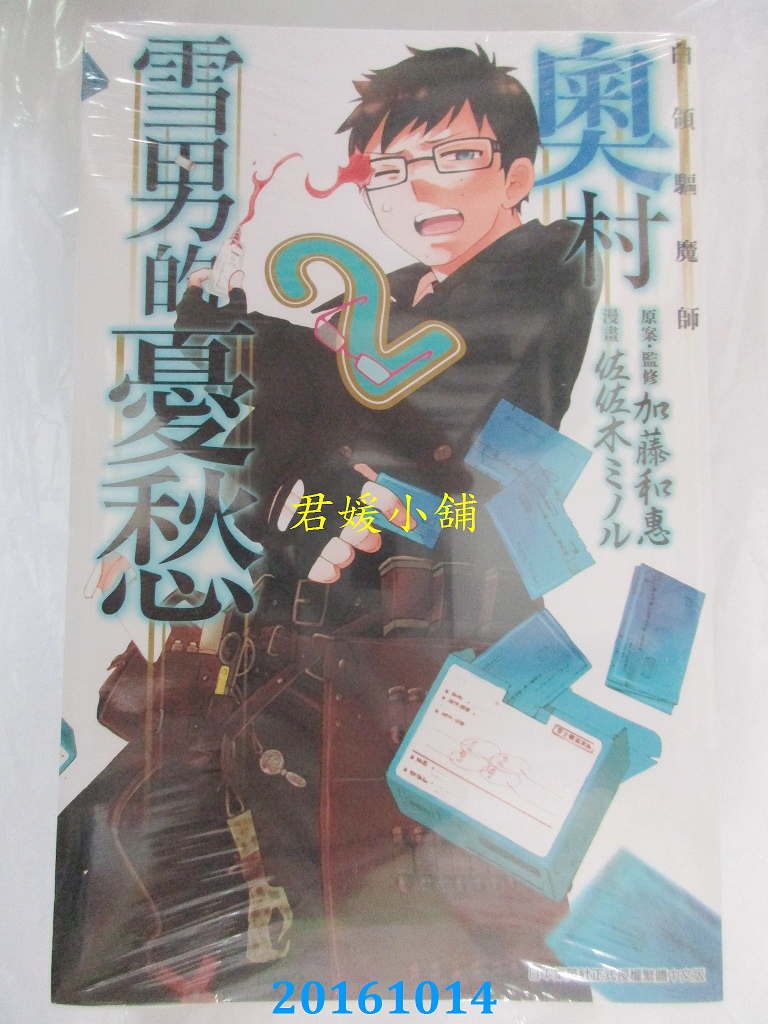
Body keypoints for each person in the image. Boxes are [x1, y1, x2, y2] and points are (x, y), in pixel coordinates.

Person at [53, 45, 599, 1004]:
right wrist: (223, 319)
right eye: (389, 169)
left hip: (432, 644)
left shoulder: (543, 265)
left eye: (451, 158)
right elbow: (277, 429)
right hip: (305, 646)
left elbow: (409, 420)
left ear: (517, 175)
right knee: (131, 864)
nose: (416, 188)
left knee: (396, 897)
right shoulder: (383, 296)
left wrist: (303, 423)